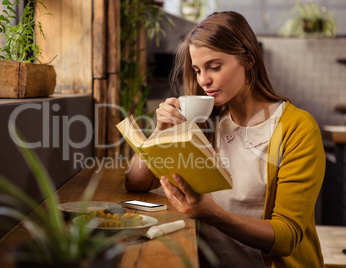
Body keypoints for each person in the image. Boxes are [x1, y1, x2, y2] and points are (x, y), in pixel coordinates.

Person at [124, 11, 325, 268]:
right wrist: (158, 131)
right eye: (197, 70)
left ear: (249, 59)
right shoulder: (205, 121)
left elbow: (287, 237)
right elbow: (137, 183)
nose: (203, 80)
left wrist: (213, 215)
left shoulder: (298, 128)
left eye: (214, 67)